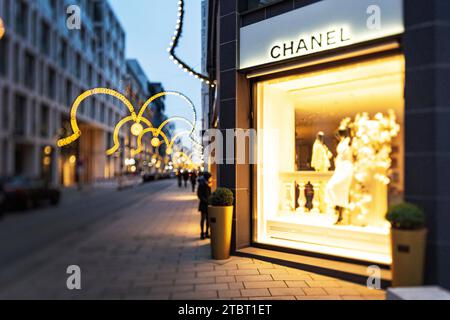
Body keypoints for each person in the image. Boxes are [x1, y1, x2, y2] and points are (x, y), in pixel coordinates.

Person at [197, 172, 212, 240]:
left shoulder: (208, 184)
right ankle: (202, 233)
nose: (210, 178)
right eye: (209, 177)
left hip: (208, 204)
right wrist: (205, 200)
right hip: (203, 204)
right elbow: (199, 194)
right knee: (203, 219)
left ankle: (207, 232)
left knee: (208, 219)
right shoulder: (202, 184)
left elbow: (209, 193)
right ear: (207, 177)